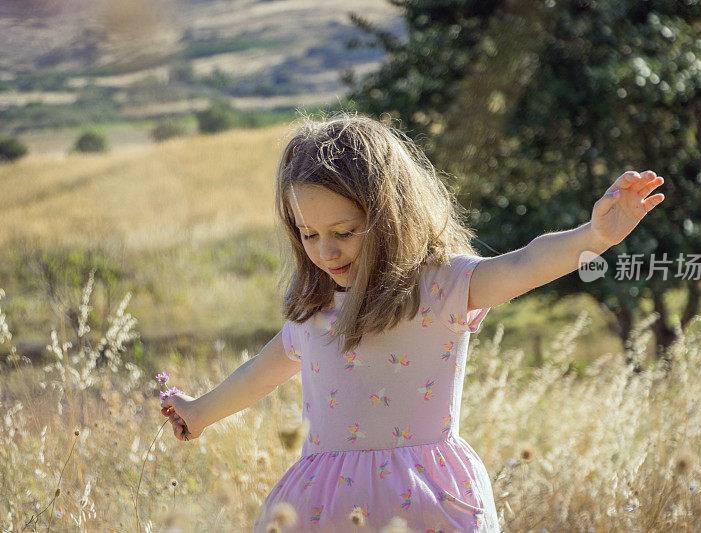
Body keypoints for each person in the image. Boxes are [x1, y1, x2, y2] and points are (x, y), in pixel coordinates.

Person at [160, 112, 665, 532]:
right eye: (308, 235)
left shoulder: (443, 287)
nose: (325, 250)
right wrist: (200, 412)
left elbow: (524, 264)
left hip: (430, 503)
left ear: (391, 216)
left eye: (344, 231)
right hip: (324, 509)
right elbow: (257, 375)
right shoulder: (316, 315)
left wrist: (594, 236)